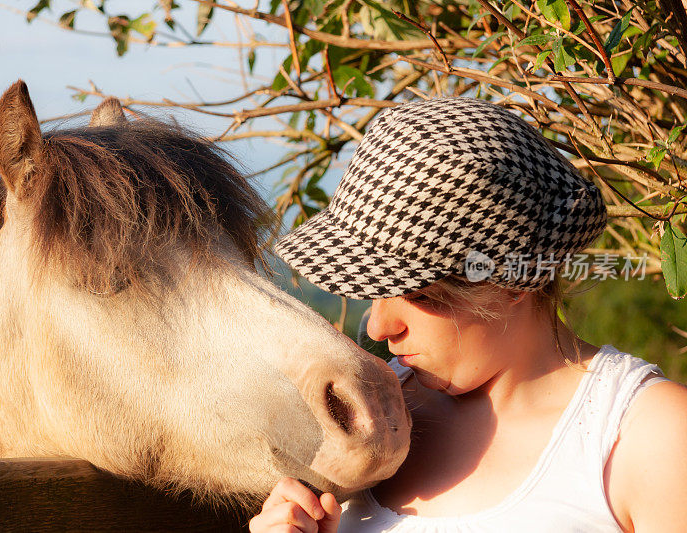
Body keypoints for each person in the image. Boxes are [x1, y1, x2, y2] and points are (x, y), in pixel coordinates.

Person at [248, 97, 687, 533]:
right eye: (372, 290)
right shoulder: (359, 420)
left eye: (416, 292)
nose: (379, 326)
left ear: (514, 278)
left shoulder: (650, 438)